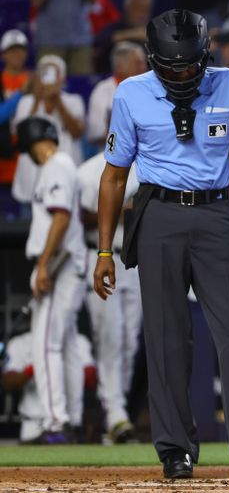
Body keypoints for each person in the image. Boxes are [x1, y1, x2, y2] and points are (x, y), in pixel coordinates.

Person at [93, 9, 229, 480]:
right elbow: (114, 178)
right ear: (152, 59)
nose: (182, 72)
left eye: (190, 64)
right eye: (172, 65)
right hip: (157, 215)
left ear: (206, 54)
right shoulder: (130, 93)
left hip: (217, 216)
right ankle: (175, 450)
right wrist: (104, 250)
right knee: (166, 337)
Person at [16, 116, 88, 442]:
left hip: (58, 265)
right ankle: (70, 417)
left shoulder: (57, 164)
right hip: (64, 264)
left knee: (45, 344)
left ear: (30, 141)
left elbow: (60, 217)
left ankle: (56, 421)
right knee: (66, 345)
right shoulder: (60, 165)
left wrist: (43, 265)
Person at [77, 150, 142, 443]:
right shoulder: (89, 170)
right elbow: (82, 218)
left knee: (130, 340)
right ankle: (114, 413)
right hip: (101, 256)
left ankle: (117, 413)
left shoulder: (144, 165)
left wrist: (124, 209)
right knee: (110, 337)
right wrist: (119, 207)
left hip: (135, 261)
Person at [11, 55, 86, 204]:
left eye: (54, 73)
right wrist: (37, 100)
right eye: (44, 72)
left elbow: (77, 133)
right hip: (31, 179)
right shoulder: (26, 102)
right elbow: (21, 135)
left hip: (65, 178)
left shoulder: (73, 100)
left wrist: (58, 101)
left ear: (62, 78)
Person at [2, 330, 96, 444]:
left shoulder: (78, 340)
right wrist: (38, 365)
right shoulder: (20, 342)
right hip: (32, 424)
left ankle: (57, 422)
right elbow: (8, 383)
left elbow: (91, 381)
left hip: (68, 425)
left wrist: (62, 365)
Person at [28, 0, 97, 75]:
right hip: (50, 40)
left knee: (82, 85)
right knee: (48, 84)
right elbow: (36, 1)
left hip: (79, 38)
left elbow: (93, 0)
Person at [87, 42, 147, 144]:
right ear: (120, 67)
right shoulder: (102, 91)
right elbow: (95, 134)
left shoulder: (152, 88)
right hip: (111, 154)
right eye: (138, 63)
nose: (144, 68)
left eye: (144, 63)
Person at [93, 0, 153, 74]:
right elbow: (98, 42)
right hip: (114, 78)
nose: (143, 13)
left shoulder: (154, 31)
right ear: (127, 8)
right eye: (138, 7)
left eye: (146, 9)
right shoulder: (115, 27)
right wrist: (134, 34)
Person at [0, 30, 32, 186]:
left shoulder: (34, 80)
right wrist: (21, 93)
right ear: (3, 54)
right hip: (4, 157)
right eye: (12, 50)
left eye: (21, 49)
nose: (17, 54)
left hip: (28, 156)